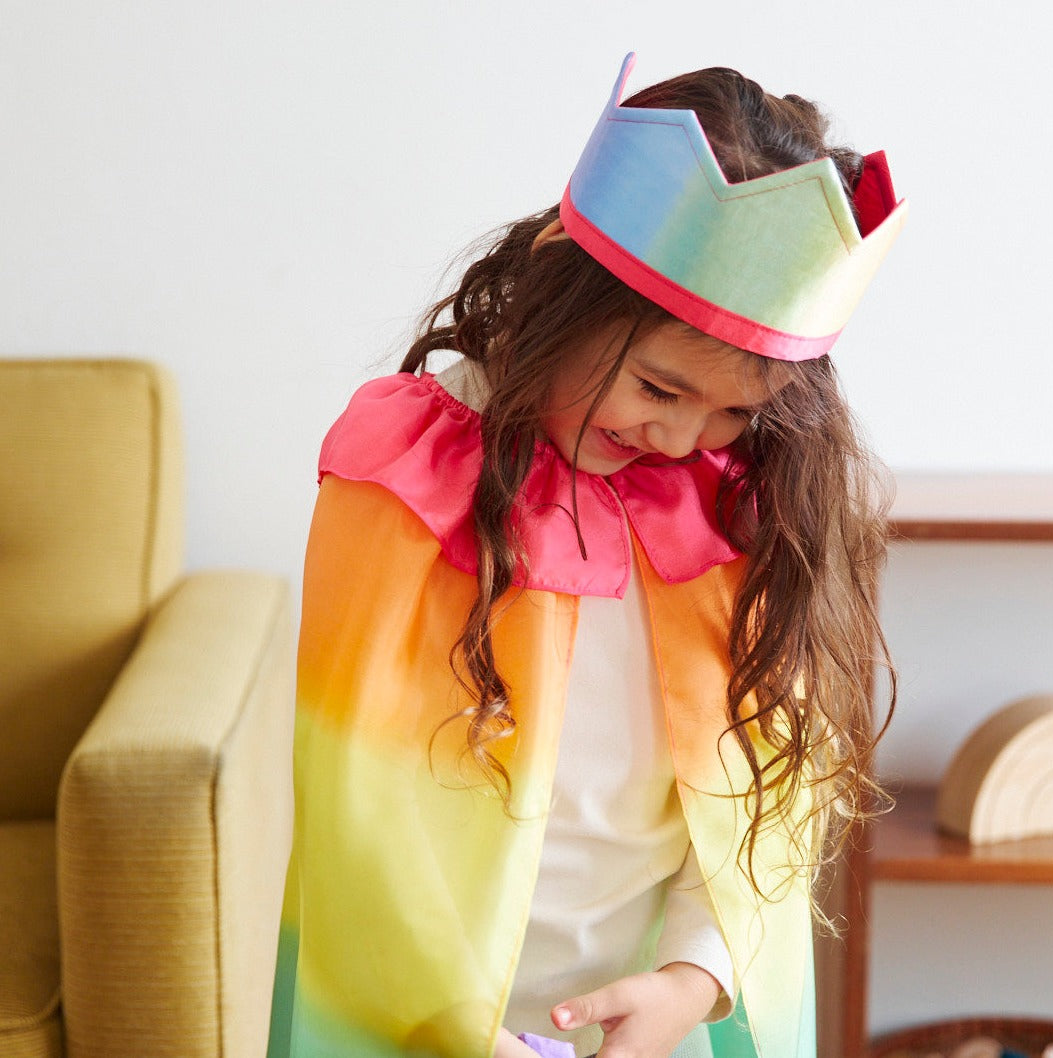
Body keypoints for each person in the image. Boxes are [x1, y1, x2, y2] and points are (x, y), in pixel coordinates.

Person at [267, 53, 907, 1058]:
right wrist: (461, 1030)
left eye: (733, 410)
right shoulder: (407, 475)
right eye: (656, 387)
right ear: (560, 304)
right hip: (417, 1024)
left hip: (649, 1020)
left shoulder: (735, 507)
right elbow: (359, 810)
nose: (682, 437)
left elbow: (761, 797)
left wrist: (694, 977)